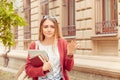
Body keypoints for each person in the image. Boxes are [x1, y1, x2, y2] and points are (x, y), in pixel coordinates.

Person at [25, 15, 78, 80]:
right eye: (46, 27)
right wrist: (42, 69)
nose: (49, 30)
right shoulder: (35, 45)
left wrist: (70, 54)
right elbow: (28, 70)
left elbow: (68, 68)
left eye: (52, 27)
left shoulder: (62, 43)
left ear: (56, 29)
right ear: (41, 28)